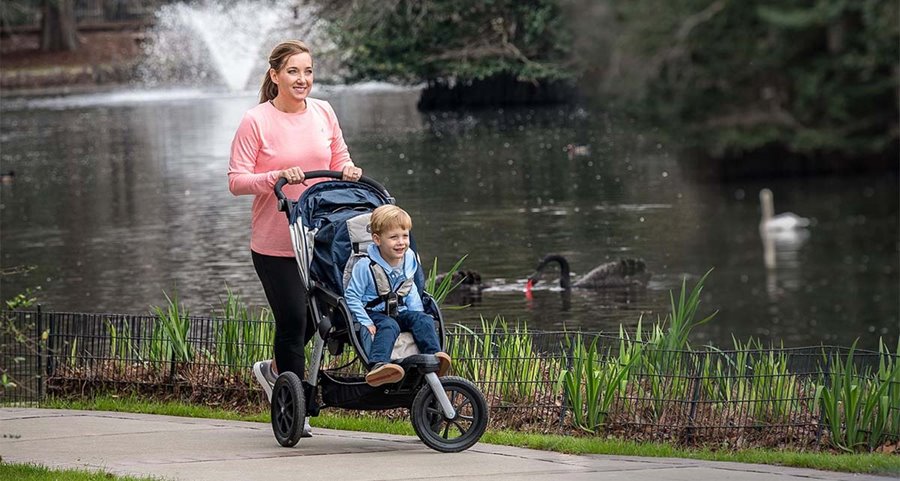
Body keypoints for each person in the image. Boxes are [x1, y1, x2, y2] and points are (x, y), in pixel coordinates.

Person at [228, 40, 363, 435]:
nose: (302, 79)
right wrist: (277, 176)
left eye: (307, 71)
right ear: (275, 76)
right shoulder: (256, 121)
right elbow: (236, 181)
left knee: (326, 318)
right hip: (275, 243)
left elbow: (338, 157)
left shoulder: (323, 111)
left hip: (322, 242)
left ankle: (274, 374)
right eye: (293, 72)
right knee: (292, 320)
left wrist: (350, 168)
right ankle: (294, 408)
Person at [344, 205, 452, 386]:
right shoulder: (365, 266)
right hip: (372, 312)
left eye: (405, 236)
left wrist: (417, 314)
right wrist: (365, 321)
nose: (401, 242)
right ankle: (378, 365)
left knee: (423, 319)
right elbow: (352, 296)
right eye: (394, 237)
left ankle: (433, 357)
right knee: (389, 325)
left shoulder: (408, 259)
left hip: (399, 309)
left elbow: (410, 290)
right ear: (377, 239)